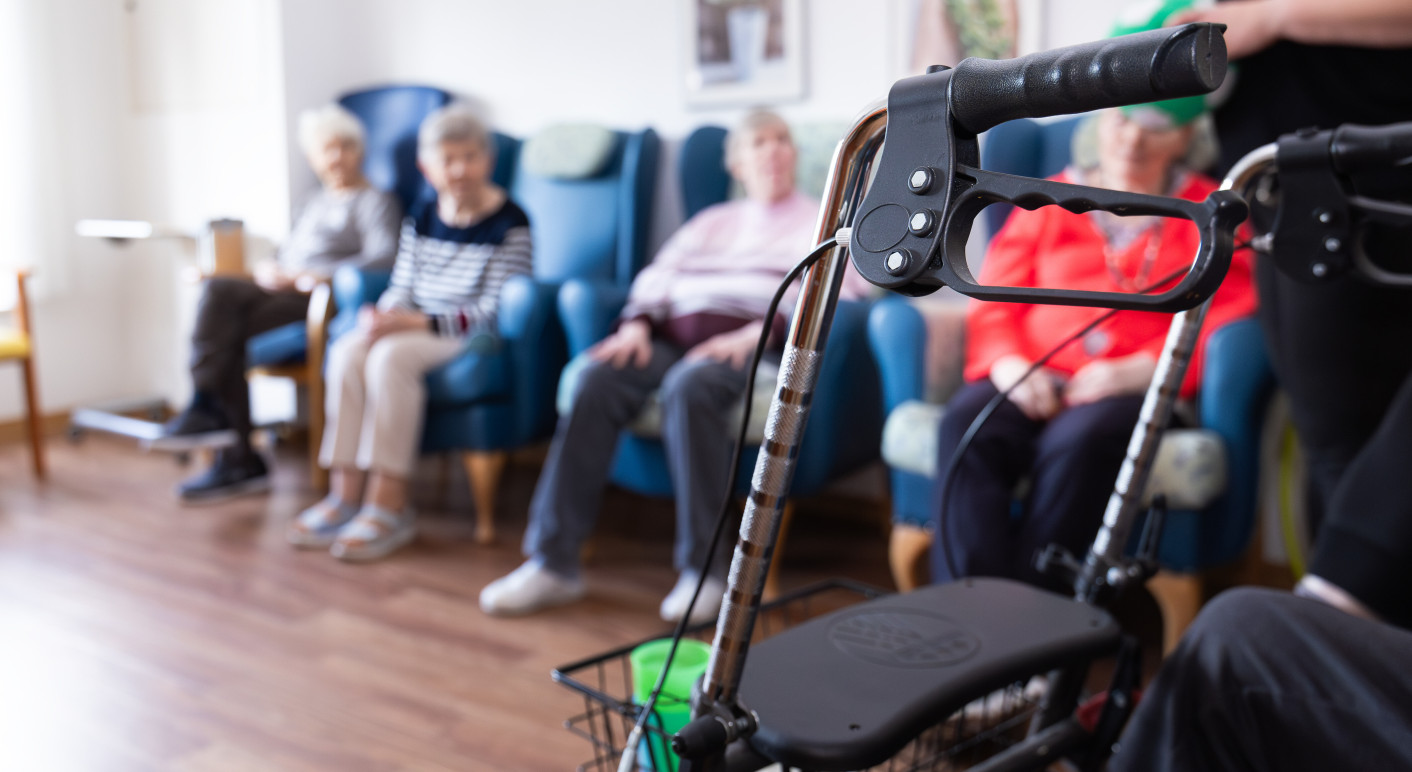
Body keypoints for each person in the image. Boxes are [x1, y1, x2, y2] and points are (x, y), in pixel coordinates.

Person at [479, 110, 871, 622]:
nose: (773, 150)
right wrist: (636, 325)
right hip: (669, 336)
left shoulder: (822, 221)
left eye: (782, 140)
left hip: (751, 345)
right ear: (737, 165)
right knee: (596, 379)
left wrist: (758, 334)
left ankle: (704, 571)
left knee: (692, 385)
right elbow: (657, 276)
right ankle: (552, 563)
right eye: (759, 142)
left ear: (795, 155)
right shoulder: (710, 222)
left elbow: (846, 292)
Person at [928, 95, 1257, 589]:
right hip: (1031, 374)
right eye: (1122, 119)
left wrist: (1143, 369)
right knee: (965, 422)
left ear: (1187, 138)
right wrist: (1007, 362)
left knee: (1078, 441)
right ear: (1100, 124)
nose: (1133, 139)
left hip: (1132, 389)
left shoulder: (1210, 213)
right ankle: (966, 606)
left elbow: (1233, 310)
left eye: (1158, 126)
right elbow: (994, 298)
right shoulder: (1047, 200)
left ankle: (1034, 612)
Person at [1172, 0, 1412, 625]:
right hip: (1277, 197)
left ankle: (1352, 642)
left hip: (1370, 195)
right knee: (1326, 442)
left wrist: (1272, 18)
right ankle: (1341, 646)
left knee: (1352, 449)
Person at [285, 105, 532, 562]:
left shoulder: (511, 222)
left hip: (468, 335)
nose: (459, 169)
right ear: (427, 167)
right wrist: (384, 314)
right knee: (349, 350)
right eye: (447, 159)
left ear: (488, 160)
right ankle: (344, 495)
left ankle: (390, 503)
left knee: (389, 358)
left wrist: (416, 323)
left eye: (470, 157)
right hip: (414, 325)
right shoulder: (422, 214)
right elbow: (402, 285)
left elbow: (493, 311)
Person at [156, 104, 401, 503]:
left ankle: (224, 438)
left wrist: (313, 275)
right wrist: (271, 268)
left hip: (318, 299)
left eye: (346, 147)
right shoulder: (311, 203)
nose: (337, 157)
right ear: (313, 158)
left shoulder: (375, 201)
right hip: (280, 291)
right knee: (219, 295)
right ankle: (223, 435)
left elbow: (383, 258)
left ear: (361, 151)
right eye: (327, 149)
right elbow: (286, 252)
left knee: (223, 323)